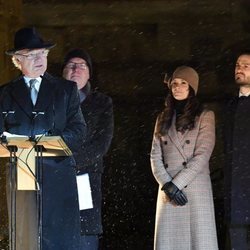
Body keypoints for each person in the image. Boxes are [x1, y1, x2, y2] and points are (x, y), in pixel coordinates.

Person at [0, 27, 86, 250]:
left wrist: (51, 142)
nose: (39, 59)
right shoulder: (5, 94)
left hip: (58, 173)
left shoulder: (65, 90)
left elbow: (78, 130)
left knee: (60, 239)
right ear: (17, 61)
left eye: (42, 54)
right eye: (31, 55)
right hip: (22, 173)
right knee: (27, 239)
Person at [150, 66, 218, 250]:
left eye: (183, 83)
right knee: (170, 243)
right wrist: (167, 185)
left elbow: (202, 155)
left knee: (199, 242)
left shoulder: (205, 116)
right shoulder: (162, 117)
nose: (177, 88)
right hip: (168, 191)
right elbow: (155, 155)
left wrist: (177, 184)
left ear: (192, 88)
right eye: (174, 84)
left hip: (194, 191)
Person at [62, 48, 114, 250]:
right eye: (71, 65)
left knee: (84, 236)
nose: (76, 69)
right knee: (53, 230)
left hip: (85, 178)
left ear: (89, 73)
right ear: (63, 72)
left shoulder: (102, 103)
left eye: (81, 65)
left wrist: (67, 161)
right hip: (53, 176)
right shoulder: (52, 101)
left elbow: (101, 144)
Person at [224, 51, 250, 250]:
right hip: (236, 194)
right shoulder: (230, 106)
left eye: (246, 66)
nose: (239, 68)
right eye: (237, 65)